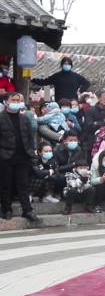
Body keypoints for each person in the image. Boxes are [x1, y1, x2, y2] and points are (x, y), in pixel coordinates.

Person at [0, 93, 40, 222]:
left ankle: (27, 210)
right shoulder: (1, 118)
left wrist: (32, 152)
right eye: (13, 100)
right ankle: (6, 209)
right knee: (6, 184)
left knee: (23, 184)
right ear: (6, 102)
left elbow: (30, 137)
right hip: (6, 156)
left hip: (23, 156)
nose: (16, 102)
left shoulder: (25, 118)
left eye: (18, 100)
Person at [83, 90, 105, 158]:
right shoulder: (91, 110)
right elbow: (89, 125)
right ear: (98, 98)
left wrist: (97, 123)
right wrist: (104, 123)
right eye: (104, 97)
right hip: (93, 140)